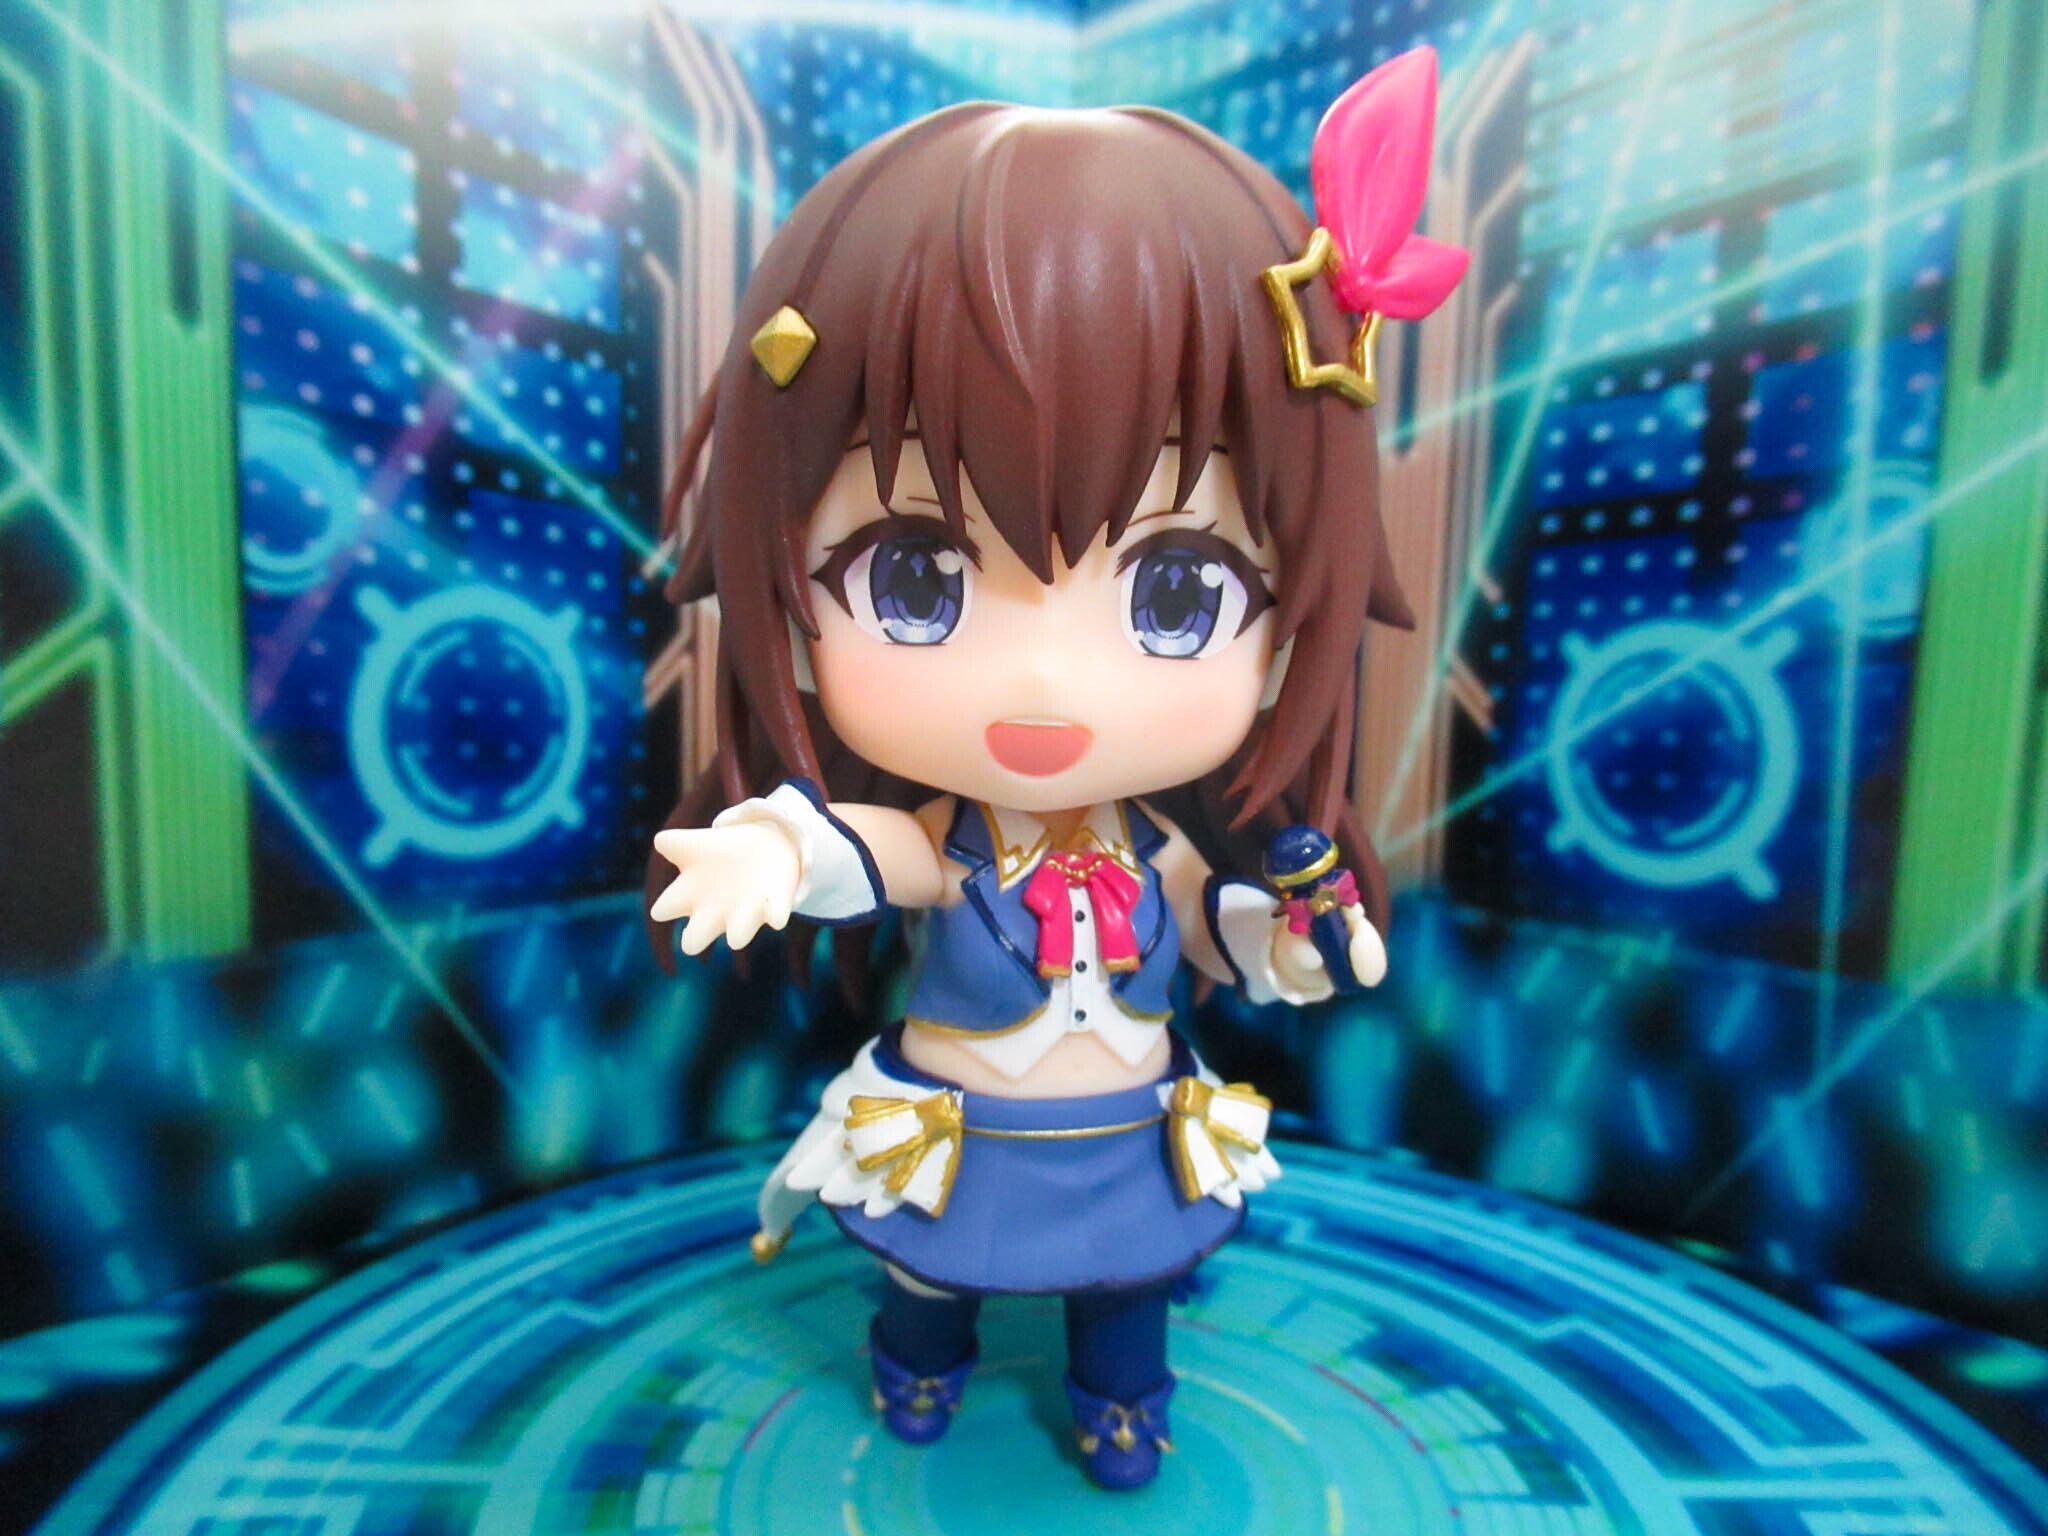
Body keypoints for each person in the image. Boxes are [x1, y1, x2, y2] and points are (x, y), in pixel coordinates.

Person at [644, 46, 1464, 1491]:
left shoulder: (1161, 847)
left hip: (1124, 1130)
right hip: (963, 1125)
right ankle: (919, 1360)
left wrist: (1293, 939)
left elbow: (1216, 921)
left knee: (1129, 1286)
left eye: (1179, 594)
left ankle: (1120, 1402)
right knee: (927, 1269)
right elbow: (872, 853)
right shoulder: (954, 837)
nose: (1045, 683)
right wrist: (775, 849)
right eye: (916, 577)